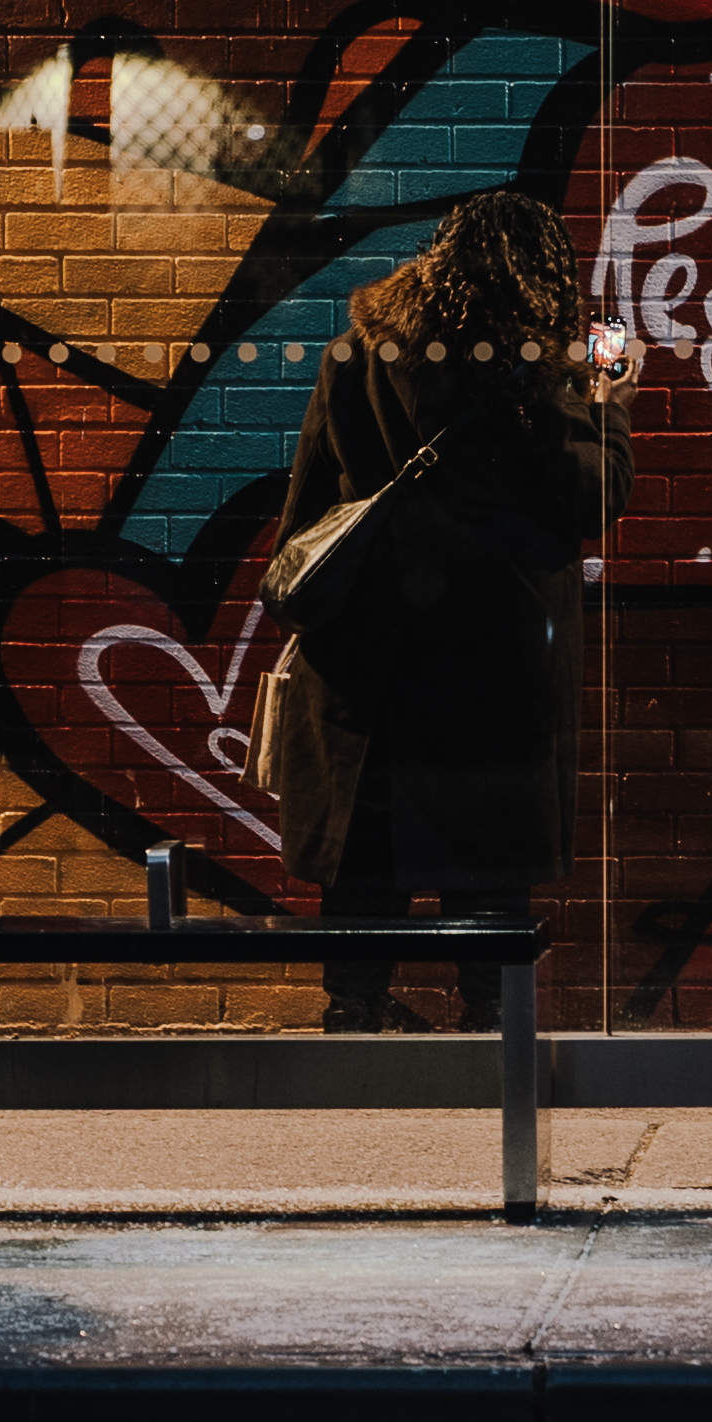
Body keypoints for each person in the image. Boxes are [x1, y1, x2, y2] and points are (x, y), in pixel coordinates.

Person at [258, 191, 633, 1033]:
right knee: (489, 858)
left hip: (369, 658)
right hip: (494, 661)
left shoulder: (357, 352)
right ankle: (489, 1032)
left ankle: (352, 1019)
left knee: (366, 857)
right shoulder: (533, 376)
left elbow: (309, 509)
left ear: (438, 260)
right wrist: (609, 401)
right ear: (540, 275)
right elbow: (592, 495)